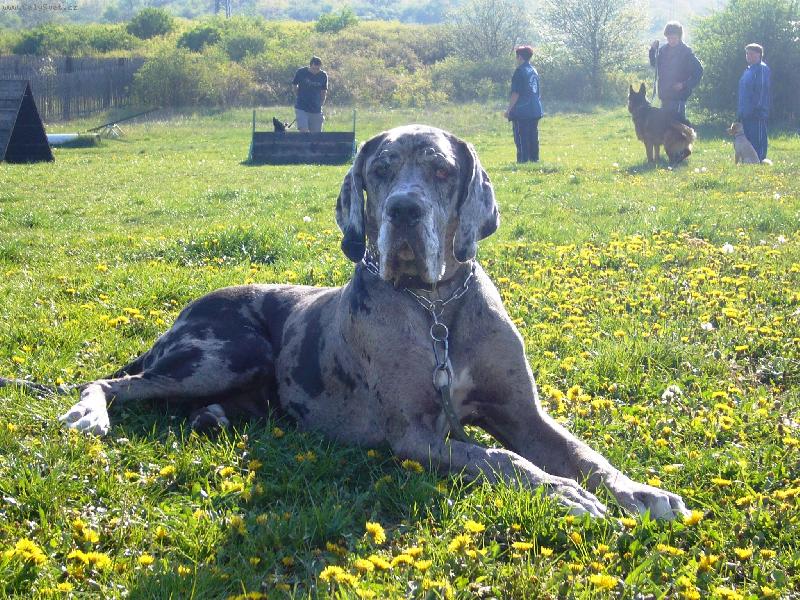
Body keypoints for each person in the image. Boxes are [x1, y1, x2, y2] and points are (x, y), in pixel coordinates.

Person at [648, 21, 703, 120]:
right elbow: (655, 66)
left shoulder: (686, 53)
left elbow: (699, 71)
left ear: (679, 37)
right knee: (665, 128)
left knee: (678, 128)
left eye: (674, 38)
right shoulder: (663, 50)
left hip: (678, 97)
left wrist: (684, 84)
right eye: (669, 38)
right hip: (665, 96)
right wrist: (652, 50)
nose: (671, 41)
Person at [504, 45, 542, 163]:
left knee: (521, 137)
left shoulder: (520, 71)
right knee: (533, 136)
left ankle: (523, 161)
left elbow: (516, 93)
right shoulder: (533, 70)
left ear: (520, 57)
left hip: (522, 110)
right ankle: (534, 159)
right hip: (535, 108)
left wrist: (509, 110)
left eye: (517, 57)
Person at [737, 43, 771, 162]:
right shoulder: (748, 70)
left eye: (751, 54)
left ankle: (760, 160)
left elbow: (761, 90)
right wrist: (741, 111)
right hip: (745, 112)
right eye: (747, 53)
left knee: (758, 138)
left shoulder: (762, 69)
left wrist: (757, 109)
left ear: (759, 54)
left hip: (756, 113)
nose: (748, 56)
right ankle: (749, 162)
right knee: (748, 140)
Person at [292, 56, 328, 133]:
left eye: (318, 69)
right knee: (303, 131)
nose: (316, 71)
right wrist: (298, 96)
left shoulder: (323, 75)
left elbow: (323, 91)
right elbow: (294, 85)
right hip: (301, 108)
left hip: (316, 109)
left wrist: (321, 103)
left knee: (316, 135)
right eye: (314, 68)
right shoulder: (301, 72)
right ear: (310, 65)